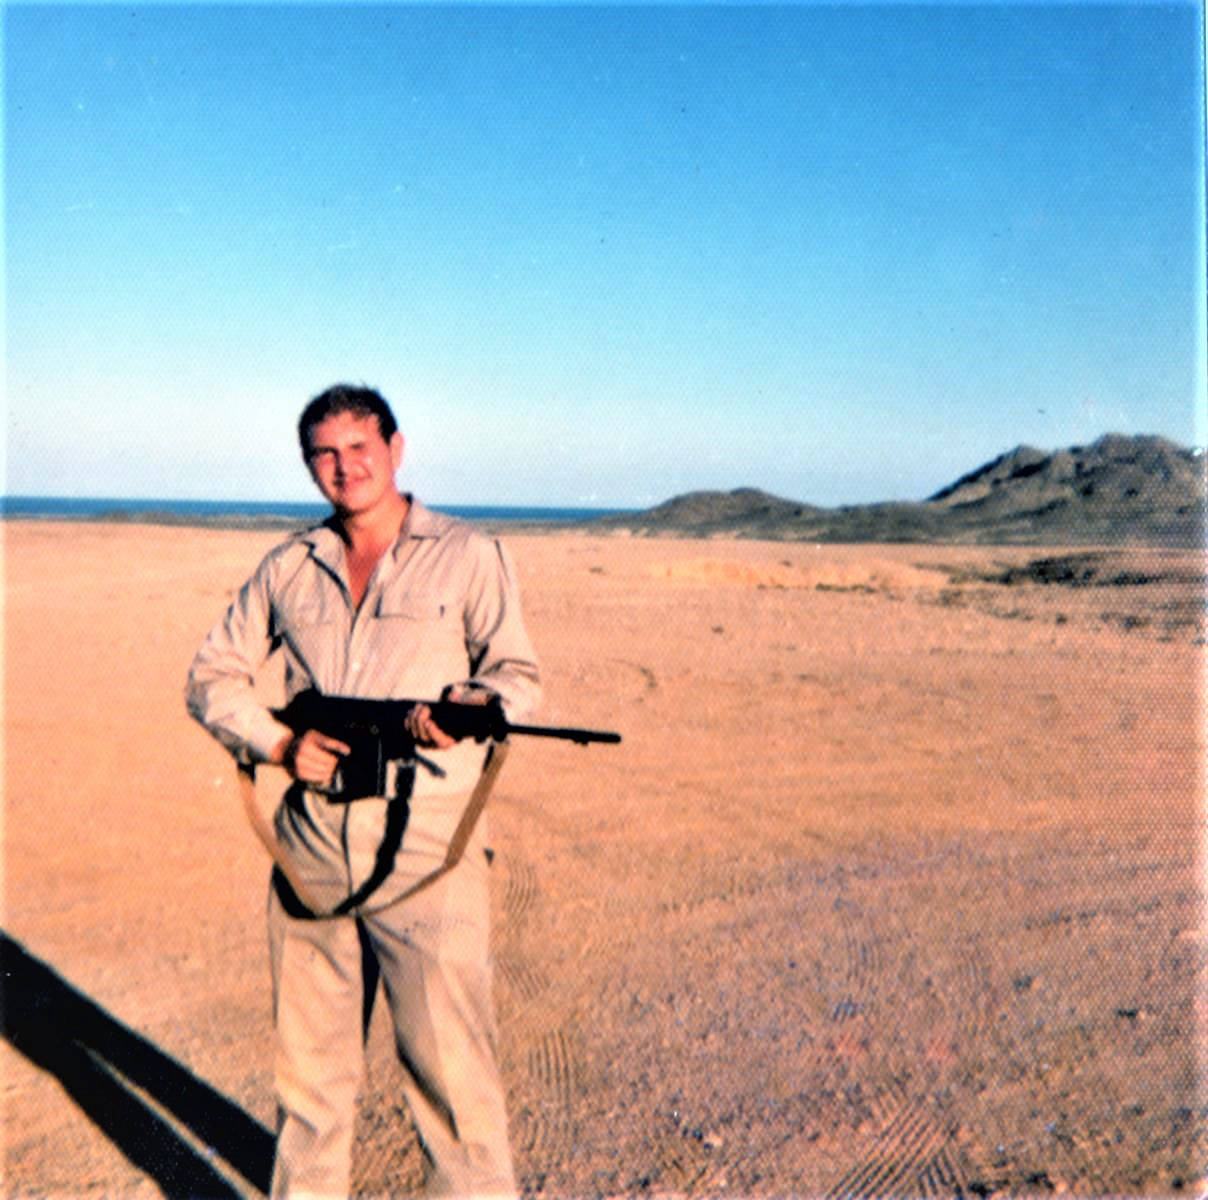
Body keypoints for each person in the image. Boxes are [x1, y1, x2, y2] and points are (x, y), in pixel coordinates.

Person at [186, 384, 541, 1199]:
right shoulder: (289, 565)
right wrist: (281, 744)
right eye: (325, 454)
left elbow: (517, 676)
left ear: (396, 449)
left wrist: (471, 708)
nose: (345, 468)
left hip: (427, 853)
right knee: (309, 1088)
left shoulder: (467, 553)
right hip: (312, 854)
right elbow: (212, 677)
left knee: (453, 1087)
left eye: (359, 448)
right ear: (309, 465)